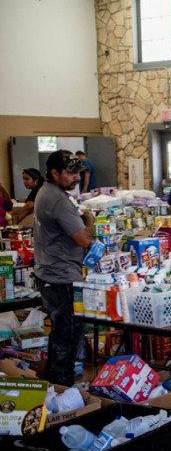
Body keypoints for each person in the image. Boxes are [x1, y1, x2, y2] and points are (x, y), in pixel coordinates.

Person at [34, 150, 95, 386]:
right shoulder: (57, 199)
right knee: (67, 335)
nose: (76, 177)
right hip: (60, 278)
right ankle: (61, 386)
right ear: (54, 173)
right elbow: (83, 239)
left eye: (77, 172)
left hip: (52, 273)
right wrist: (88, 218)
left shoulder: (49, 192)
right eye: (70, 173)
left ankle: (61, 386)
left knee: (64, 333)